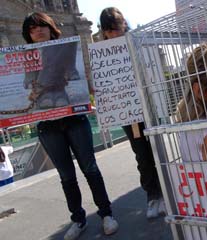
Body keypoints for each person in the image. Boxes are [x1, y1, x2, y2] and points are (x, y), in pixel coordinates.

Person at [21, 12, 118, 240]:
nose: (37, 30)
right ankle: (78, 219)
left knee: (90, 168)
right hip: (47, 123)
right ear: (28, 34)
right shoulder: (26, 56)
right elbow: (24, 83)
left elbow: (77, 75)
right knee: (66, 176)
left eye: (41, 25)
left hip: (73, 116)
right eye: (32, 28)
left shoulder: (67, 48)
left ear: (50, 27)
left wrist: (85, 82)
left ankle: (106, 214)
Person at [99, 7, 165, 219]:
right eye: (109, 31)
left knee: (159, 149)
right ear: (104, 32)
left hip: (149, 108)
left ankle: (168, 192)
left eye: (116, 29)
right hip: (129, 114)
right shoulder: (102, 54)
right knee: (142, 155)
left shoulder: (138, 43)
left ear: (124, 25)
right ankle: (153, 196)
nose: (114, 34)